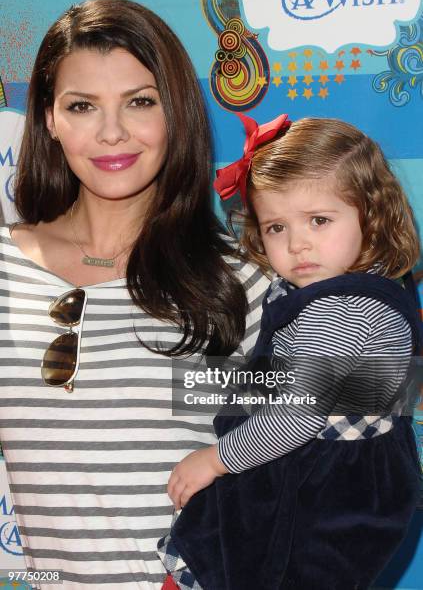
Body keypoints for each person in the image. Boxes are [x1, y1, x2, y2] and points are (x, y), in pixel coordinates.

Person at [0, 0, 270, 589]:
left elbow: (355, 404)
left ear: (175, 112)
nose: (112, 132)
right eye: (82, 106)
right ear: (48, 118)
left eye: (140, 101)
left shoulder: (234, 282)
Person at [160, 115, 422, 589]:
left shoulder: (342, 309)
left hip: (317, 494)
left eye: (319, 220)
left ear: (372, 213)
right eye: (276, 227)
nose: (298, 243)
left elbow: (298, 415)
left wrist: (214, 459)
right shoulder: (352, 285)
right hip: (316, 478)